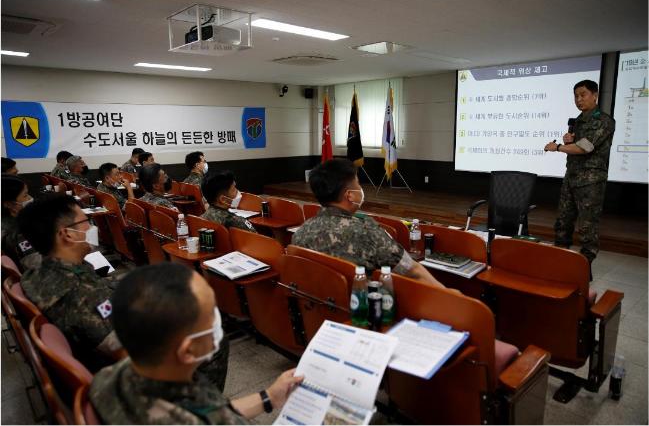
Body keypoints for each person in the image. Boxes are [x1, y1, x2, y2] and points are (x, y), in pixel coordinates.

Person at [89, 263, 303, 425]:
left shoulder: (110, 377)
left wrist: (269, 397)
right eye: (211, 314)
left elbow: (215, 414)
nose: (217, 319)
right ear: (189, 350)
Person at [292, 159, 444, 288]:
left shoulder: (300, 233)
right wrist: (451, 295)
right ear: (350, 195)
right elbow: (413, 271)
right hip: (361, 316)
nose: (361, 189)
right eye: (358, 184)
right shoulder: (366, 231)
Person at [17, 194, 124, 371]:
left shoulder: (37, 272)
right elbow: (124, 353)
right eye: (86, 222)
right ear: (67, 234)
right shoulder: (81, 294)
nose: (91, 227)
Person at [544, 80, 615, 270]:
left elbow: (585, 147)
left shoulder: (604, 120)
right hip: (572, 178)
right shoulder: (579, 120)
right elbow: (576, 144)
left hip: (590, 182)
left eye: (583, 95)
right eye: (576, 96)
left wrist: (558, 147)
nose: (578, 99)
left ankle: (584, 270)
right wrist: (568, 139)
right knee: (563, 222)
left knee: (587, 228)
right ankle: (560, 264)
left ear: (595, 95)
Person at [1, 174, 41, 272]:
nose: (30, 198)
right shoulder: (18, 233)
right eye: (25, 195)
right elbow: (38, 266)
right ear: (8, 204)